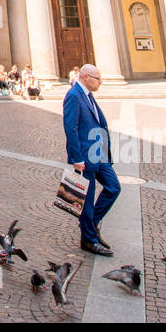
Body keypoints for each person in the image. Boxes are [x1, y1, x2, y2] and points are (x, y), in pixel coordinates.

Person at [62, 64, 120, 257]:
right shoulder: (73, 95)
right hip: (85, 157)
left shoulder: (87, 94)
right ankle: (88, 239)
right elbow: (71, 128)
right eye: (97, 79)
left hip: (99, 154)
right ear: (85, 76)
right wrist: (76, 157)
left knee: (113, 187)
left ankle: (90, 224)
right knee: (86, 200)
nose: (100, 82)